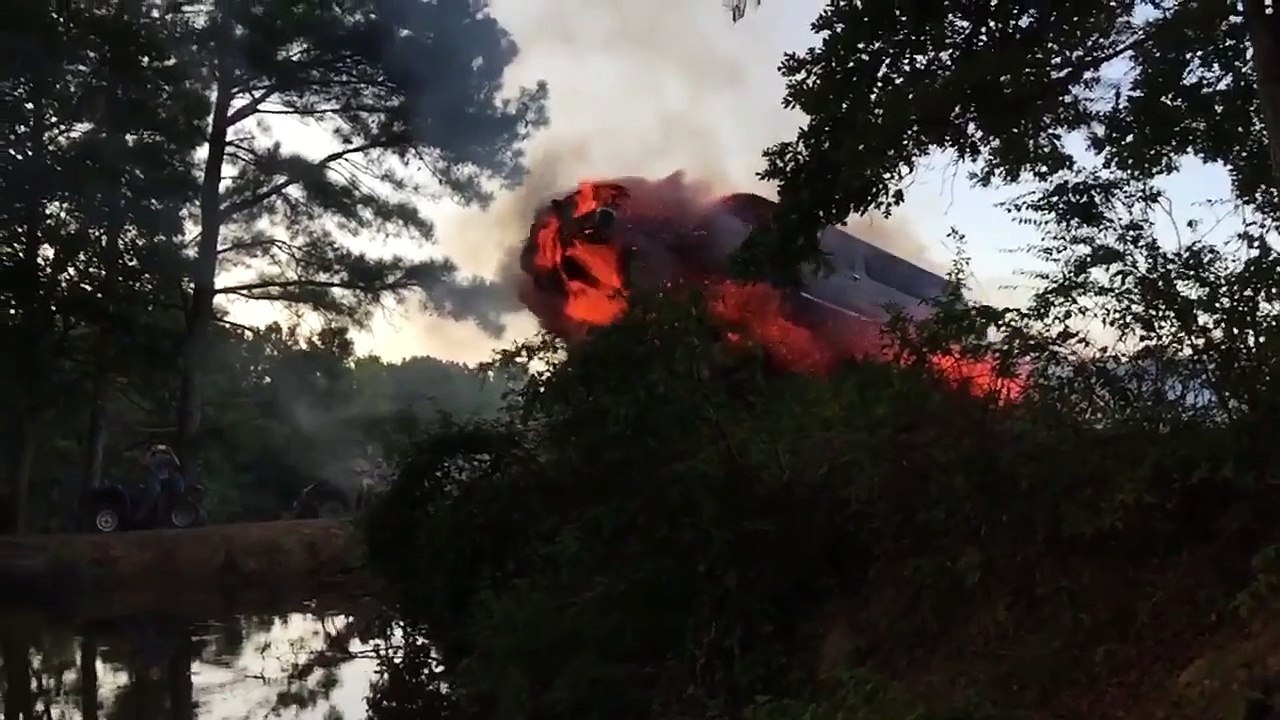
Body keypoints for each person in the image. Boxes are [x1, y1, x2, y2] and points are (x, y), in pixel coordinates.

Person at [136, 444, 183, 523]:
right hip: (154, 479)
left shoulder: (164, 458)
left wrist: (170, 452)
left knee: (177, 477)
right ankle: (143, 516)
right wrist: (151, 451)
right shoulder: (150, 458)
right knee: (155, 492)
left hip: (165, 479)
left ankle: (180, 494)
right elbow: (144, 463)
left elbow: (177, 464)